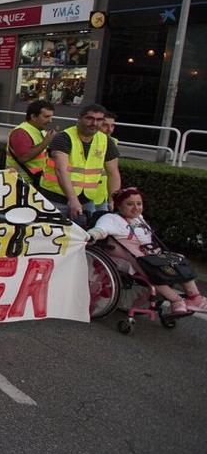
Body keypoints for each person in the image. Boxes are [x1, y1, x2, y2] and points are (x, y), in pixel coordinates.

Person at [88, 187, 207, 315]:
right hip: (130, 258)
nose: (136, 208)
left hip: (150, 255)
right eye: (129, 204)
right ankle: (176, 300)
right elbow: (100, 230)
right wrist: (91, 236)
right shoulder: (110, 219)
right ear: (119, 206)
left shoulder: (139, 219)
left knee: (178, 260)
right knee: (152, 270)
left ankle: (194, 297)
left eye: (139, 204)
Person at [39, 103, 120, 226]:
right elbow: (61, 170)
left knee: (86, 238)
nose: (94, 123)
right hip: (56, 199)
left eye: (99, 120)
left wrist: (114, 199)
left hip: (86, 200)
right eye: (89, 118)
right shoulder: (64, 137)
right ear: (79, 118)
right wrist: (73, 199)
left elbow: (113, 173)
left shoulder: (105, 140)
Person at [7, 100, 58, 184]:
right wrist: (45, 142)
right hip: (19, 182)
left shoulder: (41, 131)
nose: (50, 121)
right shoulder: (20, 132)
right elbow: (24, 158)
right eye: (46, 117)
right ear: (33, 116)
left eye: (51, 117)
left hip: (33, 181)